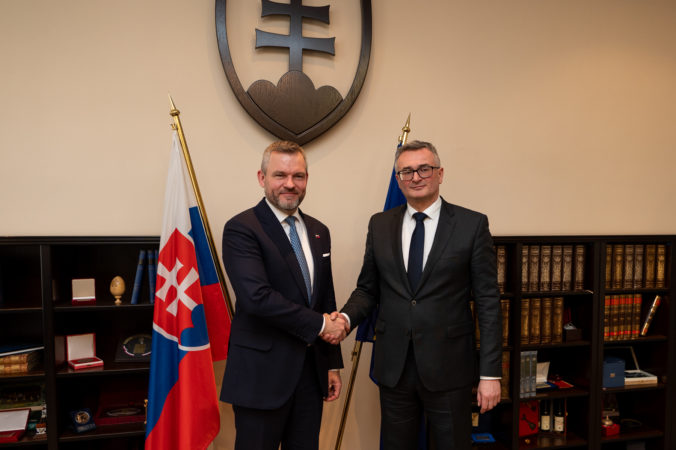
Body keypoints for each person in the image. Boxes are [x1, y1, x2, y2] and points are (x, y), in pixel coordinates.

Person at [338, 140, 502, 450]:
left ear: (440, 173)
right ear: (398, 179)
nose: (415, 177)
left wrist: (490, 374)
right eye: (407, 171)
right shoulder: (380, 224)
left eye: (424, 169)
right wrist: (345, 319)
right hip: (394, 367)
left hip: (450, 367)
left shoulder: (471, 225)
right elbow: (368, 289)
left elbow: (488, 303)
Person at [220, 141, 347, 450]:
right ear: (262, 178)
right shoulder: (241, 228)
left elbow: (325, 298)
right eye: (280, 175)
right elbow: (257, 297)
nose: (290, 184)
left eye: (298, 176)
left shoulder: (319, 230)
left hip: (310, 375)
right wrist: (321, 325)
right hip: (260, 377)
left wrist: (331, 364)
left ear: (306, 179)